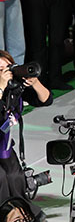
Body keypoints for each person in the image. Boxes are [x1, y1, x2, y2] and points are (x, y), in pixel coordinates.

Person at [0, 51, 51, 204]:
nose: (5, 72)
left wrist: (35, 83)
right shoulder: (4, 87)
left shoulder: (14, 89)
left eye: (8, 67)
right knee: (1, 178)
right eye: (0, 70)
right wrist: (1, 86)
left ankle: (21, 214)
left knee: (15, 177)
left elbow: (46, 100)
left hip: (4, 144)